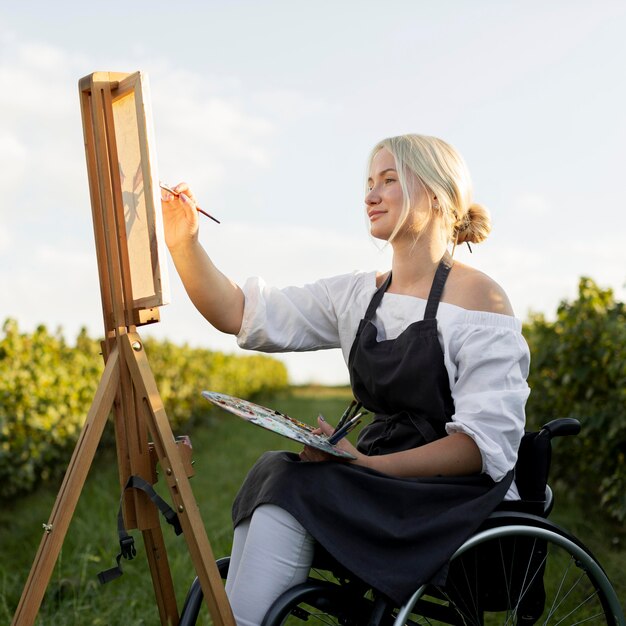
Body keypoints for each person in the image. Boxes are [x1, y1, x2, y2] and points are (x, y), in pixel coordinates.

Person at [161, 134, 530, 626]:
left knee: (296, 485)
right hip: (383, 476)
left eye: (389, 180)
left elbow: (478, 449)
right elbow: (239, 312)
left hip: (451, 496)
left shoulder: (482, 303)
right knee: (278, 470)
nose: (370, 195)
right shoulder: (359, 295)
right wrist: (183, 243)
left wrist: (367, 466)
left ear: (437, 196)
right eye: (369, 182)